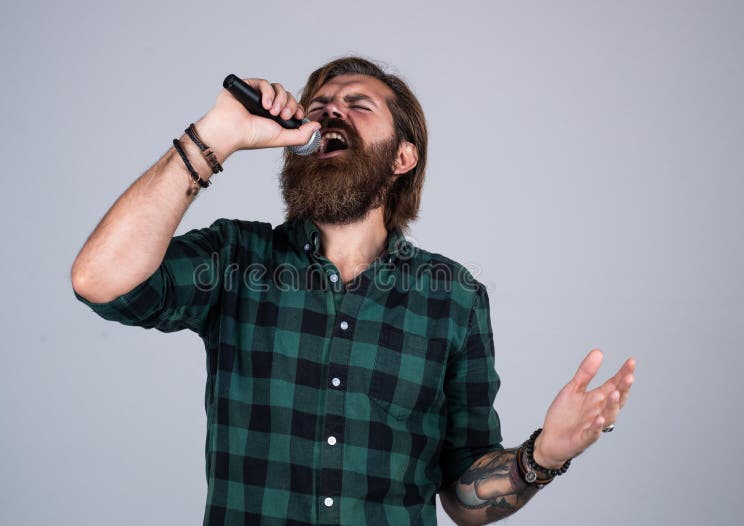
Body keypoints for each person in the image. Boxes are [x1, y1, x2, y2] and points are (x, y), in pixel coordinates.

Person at [72, 56, 636, 525]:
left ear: (402, 156)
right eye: (318, 106)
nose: (330, 111)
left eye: (357, 104)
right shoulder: (236, 258)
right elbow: (99, 279)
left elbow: (463, 495)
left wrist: (541, 458)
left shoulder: (454, 297)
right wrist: (218, 135)